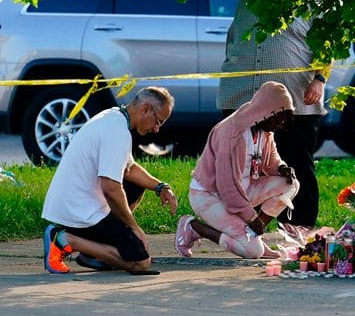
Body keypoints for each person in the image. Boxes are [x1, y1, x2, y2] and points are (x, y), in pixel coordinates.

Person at [217, 0, 326, 228]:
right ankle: (244, 225)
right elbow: (233, 38)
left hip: (295, 97)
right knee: (243, 164)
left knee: (296, 162)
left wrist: (319, 79)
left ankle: (301, 226)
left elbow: (326, 43)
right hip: (243, 97)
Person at [41, 86, 178, 274]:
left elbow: (129, 170)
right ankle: (65, 240)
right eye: (158, 122)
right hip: (79, 213)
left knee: (137, 186)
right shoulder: (117, 132)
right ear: (145, 109)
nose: (156, 129)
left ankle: (94, 250)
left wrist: (161, 187)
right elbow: (110, 188)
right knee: (140, 263)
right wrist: (134, 228)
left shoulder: (114, 118)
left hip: (75, 204)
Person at [175, 81, 299, 259]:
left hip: (240, 191)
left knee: (290, 184)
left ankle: (252, 235)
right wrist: (251, 218)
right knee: (253, 252)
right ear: (266, 111)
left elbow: (271, 160)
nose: (281, 125)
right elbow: (227, 186)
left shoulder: (264, 130)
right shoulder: (233, 133)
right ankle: (194, 228)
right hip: (209, 196)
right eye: (279, 118)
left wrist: (282, 168)